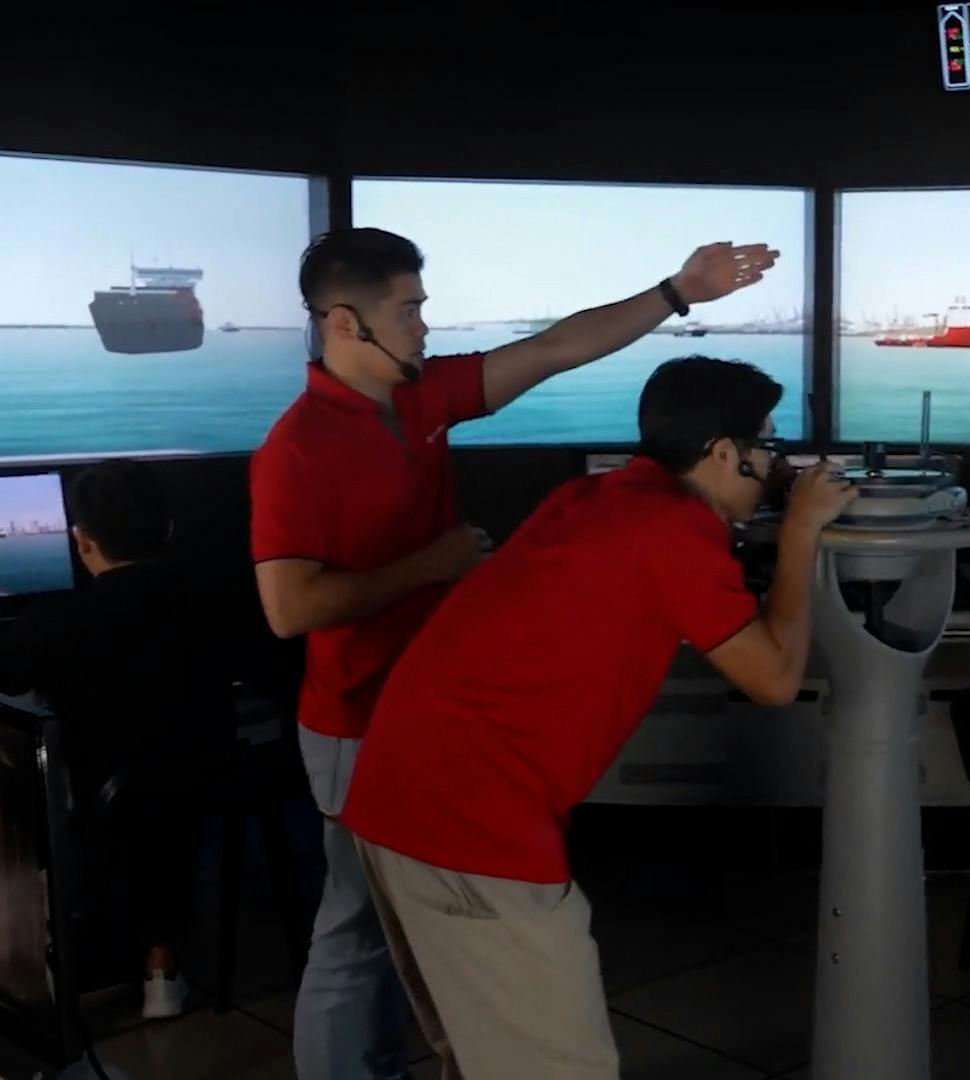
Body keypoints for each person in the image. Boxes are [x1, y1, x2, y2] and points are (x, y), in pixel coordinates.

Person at [251, 228, 777, 1080]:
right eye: (409, 311)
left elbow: (555, 348)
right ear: (346, 323)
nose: (425, 325)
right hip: (357, 715)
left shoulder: (419, 397)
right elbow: (288, 609)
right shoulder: (297, 446)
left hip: (444, 712)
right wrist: (434, 565)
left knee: (405, 942)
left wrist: (677, 292)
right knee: (354, 943)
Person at [337, 357, 854, 1079]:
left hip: (400, 798)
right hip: (467, 822)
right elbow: (773, 678)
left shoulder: (598, 494)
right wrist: (801, 533)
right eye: (767, 445)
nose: (776, 466)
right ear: (722, 453)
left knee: (488, 1060)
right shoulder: (673, 528)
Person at [0, 460, 235, 1019]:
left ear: (82, 541)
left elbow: (9, 677)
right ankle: (161, 965)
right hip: (202, 784)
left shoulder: (55, 622)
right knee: (161, 790)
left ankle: (42, 951)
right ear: (168, 528)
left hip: (101, 801)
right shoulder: (213, 603)